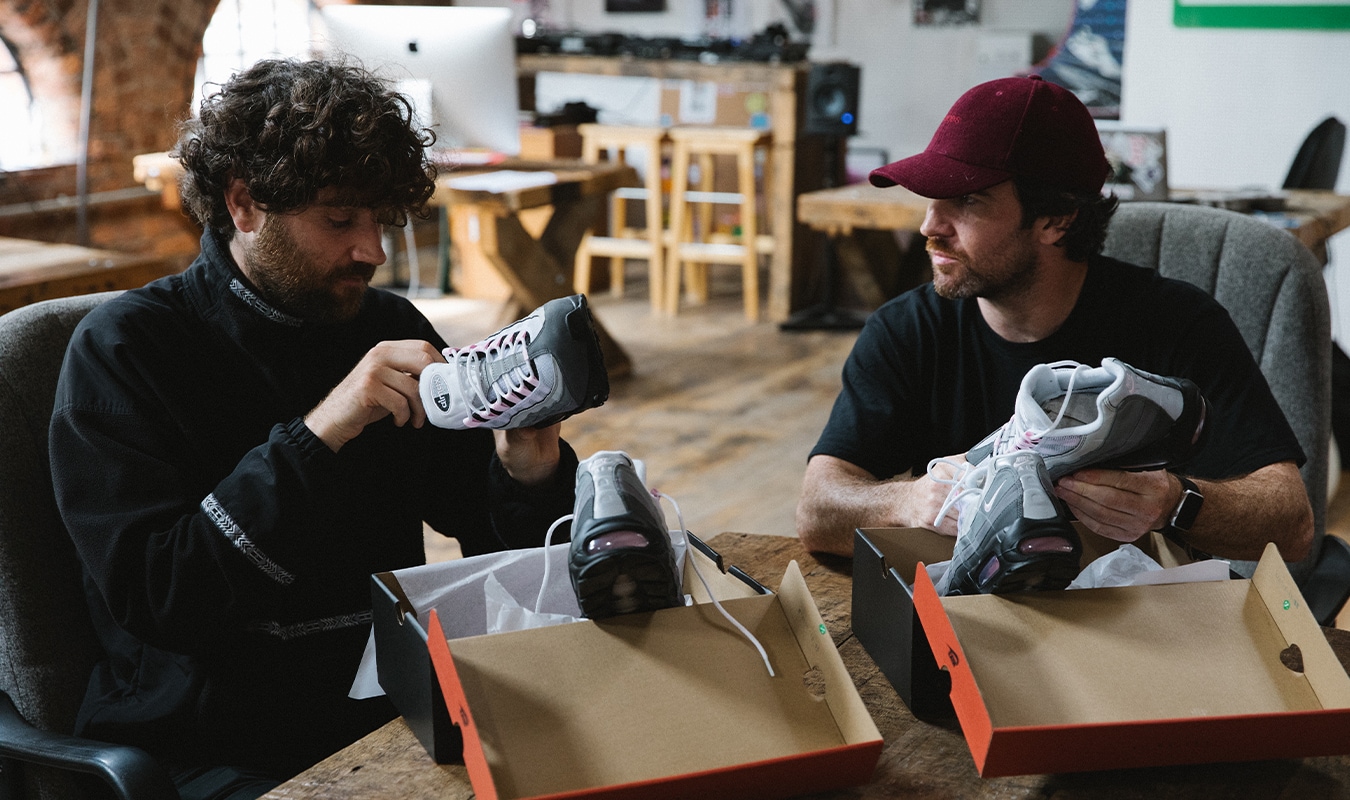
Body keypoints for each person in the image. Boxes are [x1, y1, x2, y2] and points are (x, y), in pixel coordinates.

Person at [50, 59, 579, 798]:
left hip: (385, 715)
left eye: (380, 221)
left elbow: (508, 559)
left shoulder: (388, 324)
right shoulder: (127, 350)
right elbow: (162, 596)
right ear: (244, 204)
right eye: (340, 220)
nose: (373, 252)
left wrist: (528, 463)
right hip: (207, 747)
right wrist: (323, 429)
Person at [796, 75, 1313, 569]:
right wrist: (908, 501)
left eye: (968, 200)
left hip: (1134, 619)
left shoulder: (1178, 323)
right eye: (933, 199)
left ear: (1056, 220)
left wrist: (1175, 503)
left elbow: (1292, 523)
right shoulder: (905, 331)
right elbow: (818, 509)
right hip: (970, 617)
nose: (931, 227)